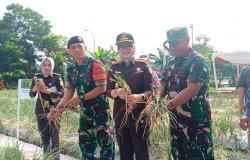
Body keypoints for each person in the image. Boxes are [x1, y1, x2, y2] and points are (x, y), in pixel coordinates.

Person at [157, 27, 214, 159]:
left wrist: (167, 106)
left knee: (199, 155)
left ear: (187, 40)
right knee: (178, 154)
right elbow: (163, 83)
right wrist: (157, 97)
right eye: (170, 44)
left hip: (196, 123)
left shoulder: (198, 61)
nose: (172, 47)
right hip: (175, 122)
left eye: (175, 43)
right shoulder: (171, 63)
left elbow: (191, 89)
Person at [56, 36, 115, 160]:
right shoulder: (71, 67)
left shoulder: (95, 64)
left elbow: (102, 88)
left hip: (101, 113)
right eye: (73, 47)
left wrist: (79, 98)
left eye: (79, 46)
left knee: (106, 146)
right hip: (85, 114)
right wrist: (61, 104)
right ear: (69, 51)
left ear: (85, 48)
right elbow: (70, 89)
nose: (77, 49)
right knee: (85, 146)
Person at [107, 32, 152, 160]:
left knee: (142, 152)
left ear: (134, 48)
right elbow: (107, 90)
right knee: (124, 153)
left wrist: (140, 97)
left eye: (128, 46)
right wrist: (116, 92)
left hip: (139, 116)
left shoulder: (143, 65)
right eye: (121, 47)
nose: (125, 50)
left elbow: (151, 91)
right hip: (121, 116)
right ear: (117, 50)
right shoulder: (113, 67)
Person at [29, 57, 64, 160]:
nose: (46, 67)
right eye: (44, 65)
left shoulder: (57, 78)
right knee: (44, 136)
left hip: (54, 110)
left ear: (52, 66)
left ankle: (56, 158)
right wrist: (34, 89)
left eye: (49, 65)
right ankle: (47, 157)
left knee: (54, 135)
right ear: (41, 66)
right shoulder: (36, 77)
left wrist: (50, 92)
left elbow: (62, 94)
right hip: (41, 110)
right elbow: (31, 95)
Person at [238, 65, 250, 130]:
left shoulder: (245, 69)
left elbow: (241, 87)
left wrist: (241, 104)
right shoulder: (245, 69)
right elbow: (241, 87)